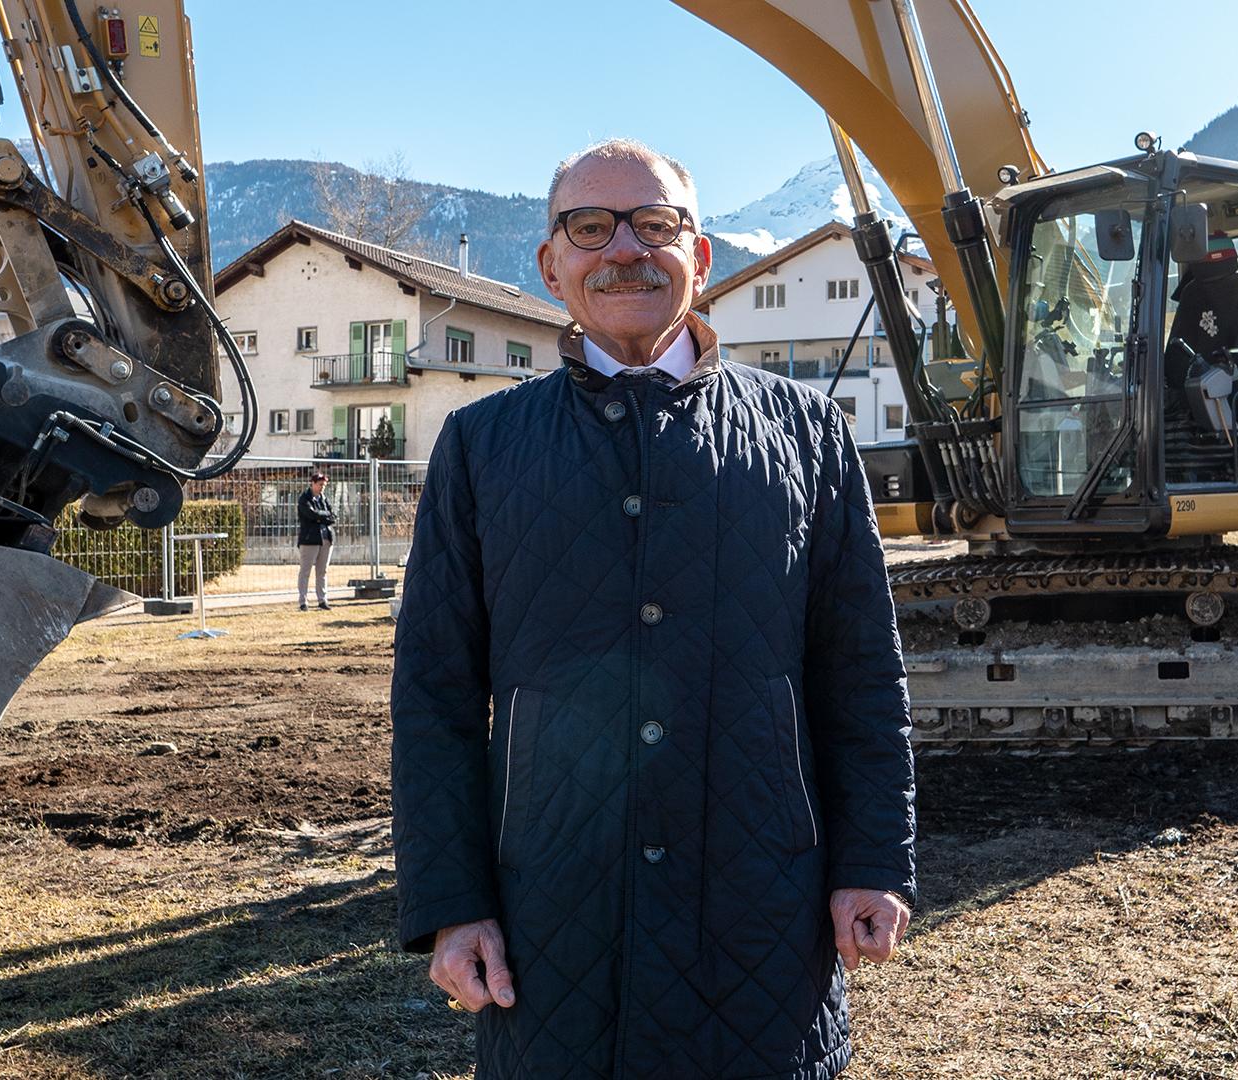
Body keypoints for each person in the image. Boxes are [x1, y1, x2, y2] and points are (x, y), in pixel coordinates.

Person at [391, 138, 916, 1079]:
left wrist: (871, 860)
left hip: (761, 908)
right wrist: (451, 904)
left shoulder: (807, 435)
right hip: (554, 913)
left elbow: (862, 675)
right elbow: (435, 695)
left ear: (699, 257)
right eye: (591, 227)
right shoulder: (480, 447)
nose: (625, 249)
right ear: (551, 264)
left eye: (655, 224)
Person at [296, 472, 334, 611]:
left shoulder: (324, 499)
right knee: (305, 571)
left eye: (324, 485)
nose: (322, 487)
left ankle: (322, 600)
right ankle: (303, 601)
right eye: (320, 484)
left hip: (326, 538)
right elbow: (310, 514)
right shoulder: (304, 498)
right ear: (312, 483)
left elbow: (332, 515)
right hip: (310, 539)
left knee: (322, 571)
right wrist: (323, 516)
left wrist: (320, 516)